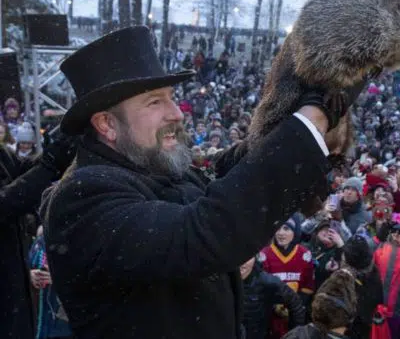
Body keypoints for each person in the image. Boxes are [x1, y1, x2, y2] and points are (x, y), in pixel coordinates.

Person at [42, 26, 356, 339]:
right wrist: (307, 124)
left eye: (171, 98)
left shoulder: (155, 167)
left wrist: (313, 103)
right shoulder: (83, 199)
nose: (177, 113)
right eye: (155, 102)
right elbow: (204, 232)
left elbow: (229, 170)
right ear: (107, 124)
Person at [0, 130, 75, 339]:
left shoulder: (3, 154)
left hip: (14, 285)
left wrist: (58, 151)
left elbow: (25, 173)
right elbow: (7, 202)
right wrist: (49, 165)